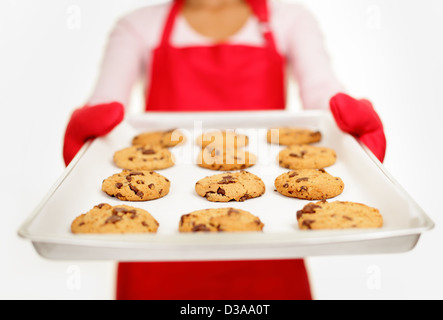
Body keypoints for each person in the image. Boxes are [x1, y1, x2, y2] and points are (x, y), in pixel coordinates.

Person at [63, 0, 386, 300]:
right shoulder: (139, 24)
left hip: (268, 245)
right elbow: (107, 106)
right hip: (157, 252)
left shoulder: (289, 19)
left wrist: (348, 129)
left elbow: (321, 94)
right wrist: (90, 137)